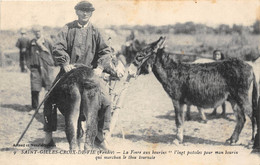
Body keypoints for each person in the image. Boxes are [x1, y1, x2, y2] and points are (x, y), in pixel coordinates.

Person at [43, 0, 124, 149]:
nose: (85, 13)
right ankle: (48, 136)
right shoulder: (67, 28)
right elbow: (57, 47)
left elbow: (106, 51)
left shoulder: (97, 31)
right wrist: (65, 63)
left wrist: (100, 67)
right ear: (77, 12)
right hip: (69, 70)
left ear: (92, 13)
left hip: (90, 72)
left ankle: (100, 135)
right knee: (49, 99)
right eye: (82, 10)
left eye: (88, 11)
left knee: (106, 100)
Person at [27, 27, 55, 114]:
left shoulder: (48, 41)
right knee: (34, 88)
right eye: (35, 31)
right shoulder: (31, 42)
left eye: (38, 31)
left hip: (47, 68)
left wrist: (52, 64)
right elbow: (27, 55)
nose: (37, 33)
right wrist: (29, 66)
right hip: (35, 68)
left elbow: (54, 53)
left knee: (49, 88)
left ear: (42, 31)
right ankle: (34, 108)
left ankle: (49, 107)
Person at [211, 50, 226, 116]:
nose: (216, 56)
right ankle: (215, 110)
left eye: (218, 54)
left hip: (221, 82)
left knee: (222, 98)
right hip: (214, 81)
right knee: (215, 97)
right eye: (215, 54)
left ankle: (224, 111)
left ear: (221, 56)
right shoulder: (212, 63)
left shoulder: (222, 63)